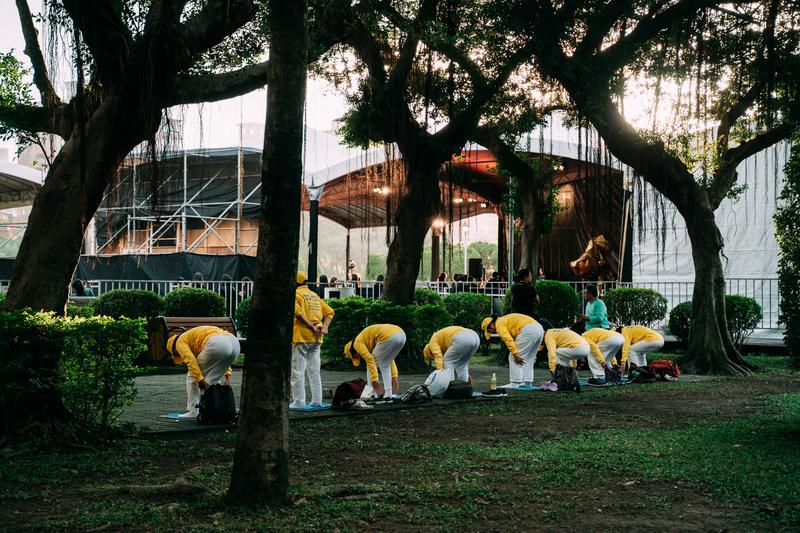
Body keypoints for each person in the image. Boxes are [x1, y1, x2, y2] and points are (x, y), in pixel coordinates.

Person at [166, 325, 240, 418]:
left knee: (192, 377)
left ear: (174, 349)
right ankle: (212, 408)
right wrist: (227, 375)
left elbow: (190, 360)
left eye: (177, 354)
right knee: (211, 381)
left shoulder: (179, 342)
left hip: (218, 343)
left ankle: (194, 411)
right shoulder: (194, 337)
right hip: (234, 342)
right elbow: (223, 352)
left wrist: (200, 380)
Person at [292, 271, 335, 409]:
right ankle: (317, 400)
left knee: (298, 371)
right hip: (317, 337)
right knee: (314, 371)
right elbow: (330, 312)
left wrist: (309, 325)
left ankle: (298, 402)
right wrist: (325, 327)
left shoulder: (296, 294)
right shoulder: (314, 295)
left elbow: (296, 312)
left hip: (301, 336)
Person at [344, 324, 406, 399]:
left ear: (352, 353)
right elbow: (390, 360)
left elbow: (370, 360)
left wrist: (374, 381)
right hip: (401, 334)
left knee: (371, 364)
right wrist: (394, 377)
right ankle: (388, 394)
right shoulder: (367, 341)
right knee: (385, 364)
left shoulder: (357, 344)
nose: (359, 357)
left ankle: (371, 393)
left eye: (355, 357)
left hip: (388, 336)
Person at [482, 313, 543, 388]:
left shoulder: (499, 324)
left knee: (513, 357)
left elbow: (508, 339)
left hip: (528, 329)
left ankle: (515, 382)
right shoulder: (504, 320)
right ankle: (527, 382)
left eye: (489, 331)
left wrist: (515, 354)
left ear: (491, 325)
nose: (492, 333)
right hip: (539, 328)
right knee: (528, 358)